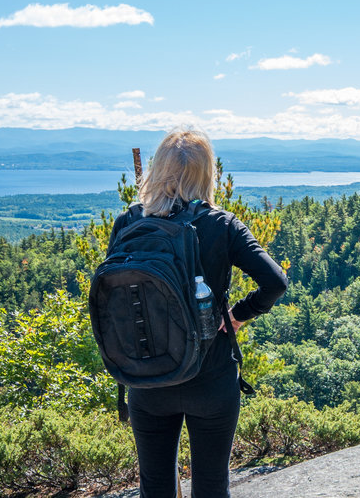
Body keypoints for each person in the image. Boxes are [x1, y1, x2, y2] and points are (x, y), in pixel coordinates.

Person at [107, 127, 288, 498]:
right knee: (210, 486)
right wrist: (236, 315)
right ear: (208, 174)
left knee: (155, 487)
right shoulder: (222, 225)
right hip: (211, 377)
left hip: (147, 376)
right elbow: (275, 282)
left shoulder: (129, 222)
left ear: (158, 170)